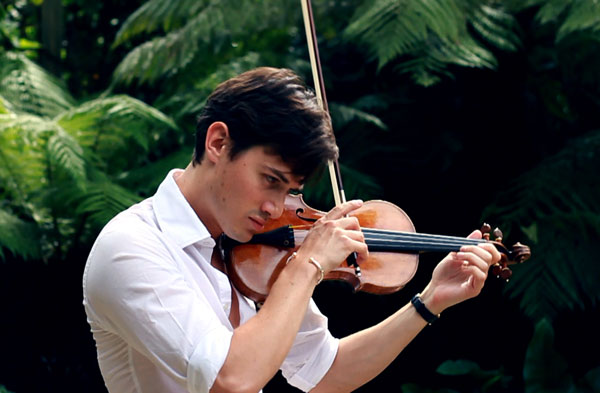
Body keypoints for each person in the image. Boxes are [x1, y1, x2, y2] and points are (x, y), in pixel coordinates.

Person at [83, 67, 501, 393]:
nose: (276, 208)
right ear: (217, 143)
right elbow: (230, 380)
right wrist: (309, 265)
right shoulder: (132, 248)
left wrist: (428, 302)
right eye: (270, 179)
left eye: (291, 191)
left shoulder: (254, 247)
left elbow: (326, 372)